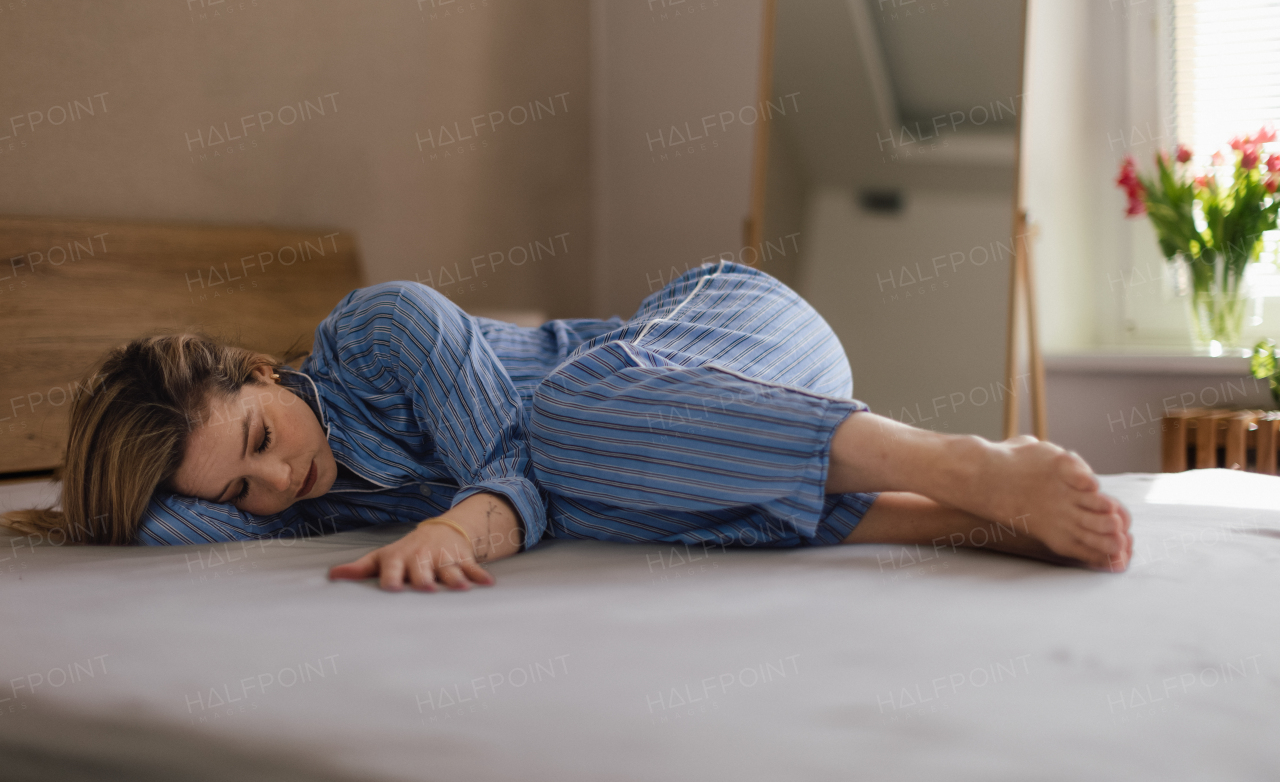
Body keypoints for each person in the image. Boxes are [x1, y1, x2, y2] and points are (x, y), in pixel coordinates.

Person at [0, 261, 1132, 591]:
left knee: (573, 421)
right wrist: (109, 501)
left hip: (732, 329)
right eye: (238, 493)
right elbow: (152, 539)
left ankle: (961, 460)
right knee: (613, 510)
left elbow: (522, 467)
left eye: (258, 439)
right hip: (697, 439)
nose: (278, 483)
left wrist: (462, 528)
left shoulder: (380, 330)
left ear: (261, 370)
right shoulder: (283, 499)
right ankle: (950, 523)